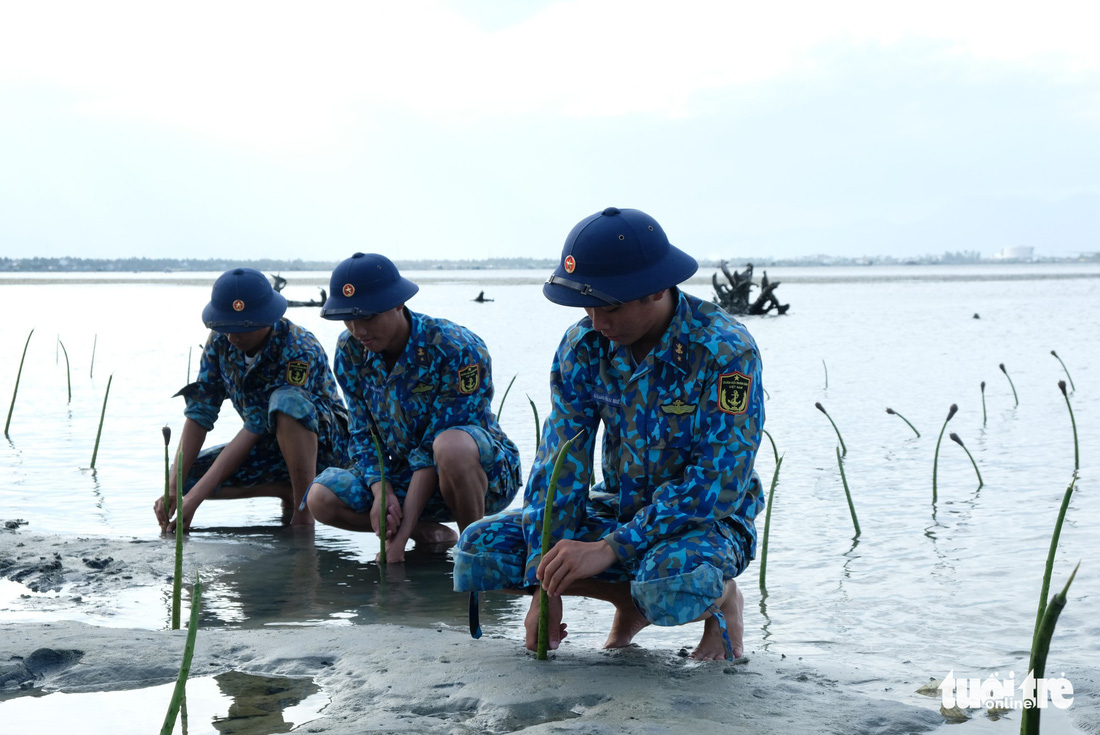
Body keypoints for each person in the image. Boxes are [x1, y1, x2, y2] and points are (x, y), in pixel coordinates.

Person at [454, 207, 765, 660]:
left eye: (611, 306)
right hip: (618, 506)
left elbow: (715, 488)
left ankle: (723, 602)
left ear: (656, 290)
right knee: (481, 550)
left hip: (709, 521)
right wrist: (545, 582)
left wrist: (610, 547)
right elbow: (559, 464)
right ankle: (629, 607)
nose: (597, 322)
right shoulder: (583, 347)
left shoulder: (723, 349)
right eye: (587, 306)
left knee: (671, 581)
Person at [305, 253, 522, 562]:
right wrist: (382, 491)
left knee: (450, 446)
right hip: (405, 473)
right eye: (348, 319)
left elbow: (435, 446)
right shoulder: (349, 351)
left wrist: (395, 545)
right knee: (321, 498)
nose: (358, 330)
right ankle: (430, 533)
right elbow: (363, 433)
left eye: (368, 317)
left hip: (480, 477)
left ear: (398, 304)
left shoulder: (455, 347)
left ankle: (474, 551)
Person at [154, 267, 349, 532]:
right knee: (185, 477)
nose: (233, 338)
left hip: (326, 449)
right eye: (227, 328)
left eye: (243, 328)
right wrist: (175, 490)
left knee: (286, 402)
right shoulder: (221, 341)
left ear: (268, 318)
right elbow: (200, 413)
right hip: (267, 444)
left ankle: (303, 512)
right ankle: (286, 489)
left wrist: (195, 501)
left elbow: (258, 424)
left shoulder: (299, 348)